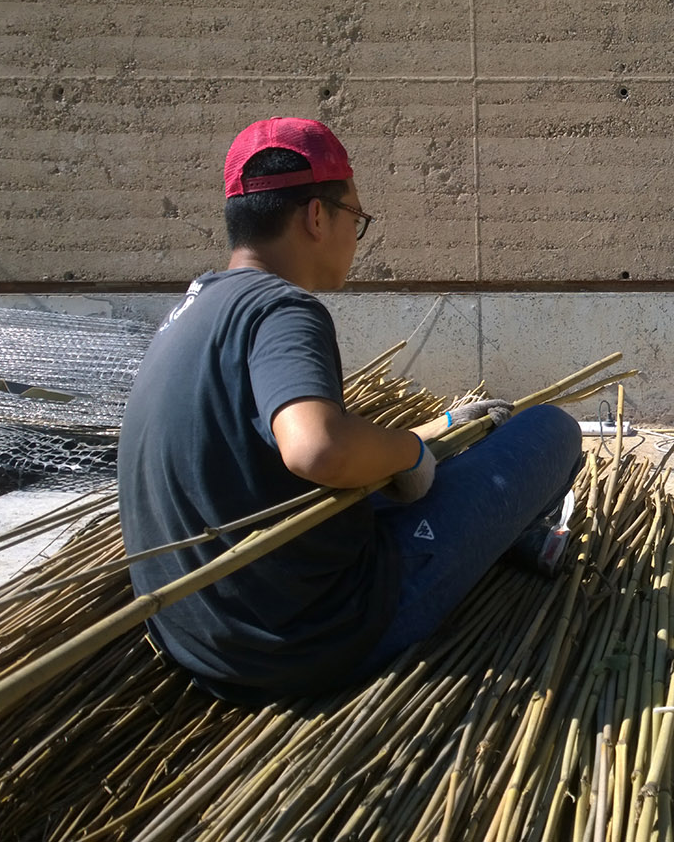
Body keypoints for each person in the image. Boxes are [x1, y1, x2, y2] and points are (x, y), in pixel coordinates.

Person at [119, 117, 582, 703]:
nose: (356, 239)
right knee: (550, 430)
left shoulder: (192, 309)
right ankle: (516, 536)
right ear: (318, 215)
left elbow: (265, 455)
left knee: (451, 460)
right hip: (315, 637)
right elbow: (316, 447)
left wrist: (434, 431)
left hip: (199, 642)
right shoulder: (281, 310)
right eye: (356, 220)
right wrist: (412, 451)